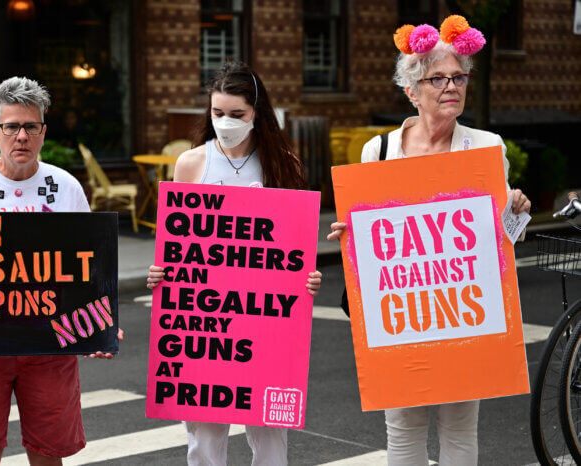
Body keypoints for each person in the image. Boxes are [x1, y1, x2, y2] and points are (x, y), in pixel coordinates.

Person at [327, 16, 531, 466]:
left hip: (463, 314)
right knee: (402, 435)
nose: (451, 86)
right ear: (411, 90)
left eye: (459, 76)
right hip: (401, 319)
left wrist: (517, 213)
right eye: (438, 78)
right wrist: (350, 236)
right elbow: (368, 238)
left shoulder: (485, 148)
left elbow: (502, 241)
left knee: (460, 434)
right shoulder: (378, 152)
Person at [0, 76, 123, 466]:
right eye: (11, 127)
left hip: (50, 344)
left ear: (44, 131)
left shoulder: (66, 188)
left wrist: (103, 322)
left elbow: (89, 267)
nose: (21, 137)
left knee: (48, 455)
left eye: (31, 127)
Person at [146, 60, 322, 466]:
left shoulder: (283, 165)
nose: (226, 121)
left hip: (266, 321)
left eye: (237, 114)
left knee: (270, 433)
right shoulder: (192, 163)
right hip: (206, 321)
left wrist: (307, 277)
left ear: (258, 114)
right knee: (204, 437)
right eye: (217, 113)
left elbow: (295, 247)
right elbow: (175, 241)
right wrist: (161, 271)